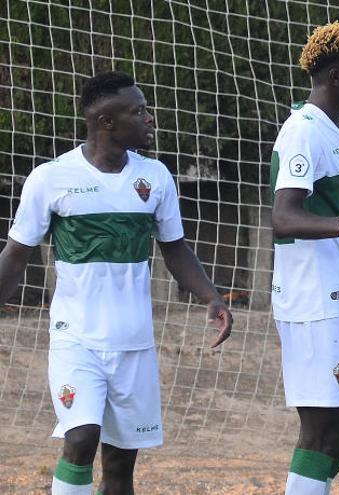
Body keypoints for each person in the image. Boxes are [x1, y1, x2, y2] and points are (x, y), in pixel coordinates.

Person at [0, 71, 232, 495]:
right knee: (81, 438)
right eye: (138, 111)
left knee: (121, 465)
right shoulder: (50, 178)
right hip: (77, 341)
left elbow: (175, 248)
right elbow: (17, 254)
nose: (150, 119)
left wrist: (210, 296)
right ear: (106, 121)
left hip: (134, 344)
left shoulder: (156, 178)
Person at [269, 21, 339, 495]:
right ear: (336, 77)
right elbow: (283, 217)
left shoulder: (330, 130)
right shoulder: (303, 131)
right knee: (321, 432)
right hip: (313, 299)